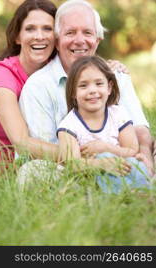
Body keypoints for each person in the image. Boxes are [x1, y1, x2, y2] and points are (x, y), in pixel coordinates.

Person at [19, 0, 154, 176]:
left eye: (87, 32)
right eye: (70, 33)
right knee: (33, 172)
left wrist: (144, 163)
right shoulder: (38, 86)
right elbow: (46, 150)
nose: (79, 40)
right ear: (57, 41)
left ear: (97, 40)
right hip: (71, 168)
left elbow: (140, 132)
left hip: (125, 163)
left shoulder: (117, 77)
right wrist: (98, 164)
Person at [0, 0, 59, 173]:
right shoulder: (2, 77)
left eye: (47, 29)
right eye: (30, 29)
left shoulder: (53, 73)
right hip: (1, 180)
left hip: (41, 166)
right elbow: (22, 142)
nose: (39, 36)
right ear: (17, 37)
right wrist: (80, 157)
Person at [57, 55, 150, 193]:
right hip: (89, 174)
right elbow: (72, 164)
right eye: (83, 85)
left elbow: (132, 150)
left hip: (121, 166)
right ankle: (124, 195)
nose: (92, 90)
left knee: (140, 164)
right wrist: (101, 164)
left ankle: (143, 192)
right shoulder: (68, 126)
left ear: (109, 87)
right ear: (73, 92)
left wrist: (106, 148)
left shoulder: (118, 114)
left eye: (99, 84)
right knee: (104, 159)